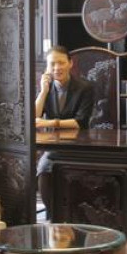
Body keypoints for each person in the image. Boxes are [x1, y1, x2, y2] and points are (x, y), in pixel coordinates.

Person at [35, 45, 95, 214]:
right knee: (44, 171)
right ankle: (53, 217)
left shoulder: (85, 87)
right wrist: (43, 92)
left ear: (70, 63)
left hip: (78, 145)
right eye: (52, 64)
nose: (56, 68)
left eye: (61, 63)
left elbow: (80, 122)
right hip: (53, 146)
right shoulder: (47, 88)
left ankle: (73, 216)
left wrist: (49, 123)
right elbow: (33, 117)